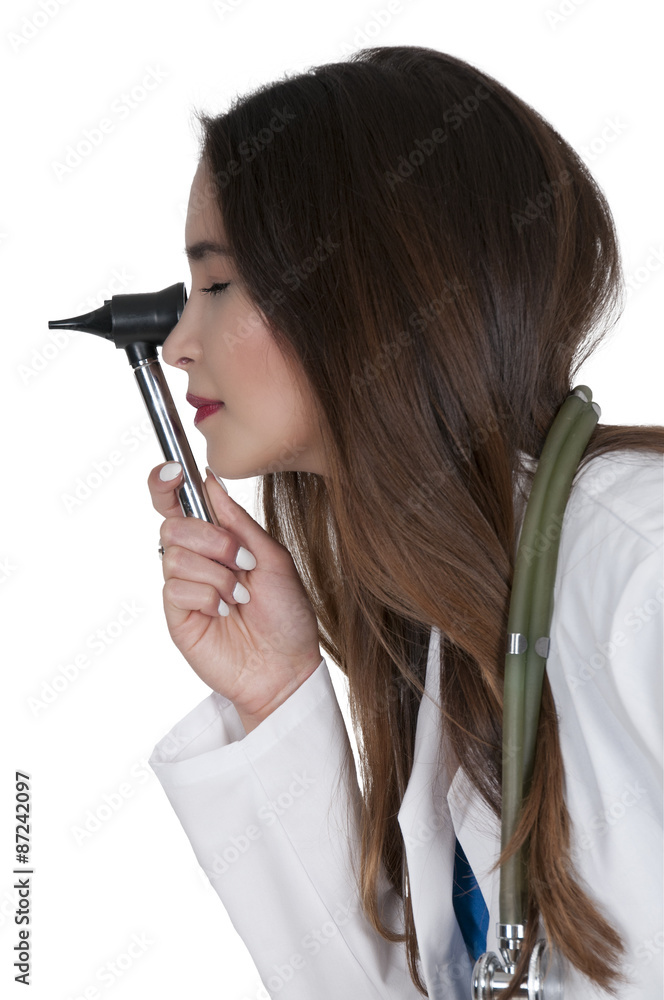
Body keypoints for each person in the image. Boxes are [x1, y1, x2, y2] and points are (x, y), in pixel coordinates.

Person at [146, 45, 663, 999]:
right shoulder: (442, 632)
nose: (178, 342)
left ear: (367, 290)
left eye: (216, 285)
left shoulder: (644, 563)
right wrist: (275, 693)